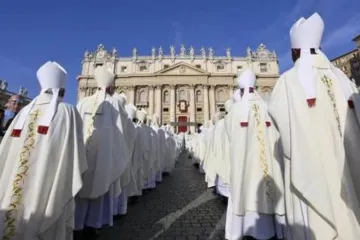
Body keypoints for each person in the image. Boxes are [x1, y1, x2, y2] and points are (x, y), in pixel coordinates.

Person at [268, 12, 360, 239]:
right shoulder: (344, 79)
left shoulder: (289, 80)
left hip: (311, 174)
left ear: (295, 50)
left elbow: (280, 125)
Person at [0, 61, 87, 240]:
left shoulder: (24, 112)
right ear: (61, 88)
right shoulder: (68, 111)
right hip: (47, 181)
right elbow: (76, 152)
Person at [224, 69, 285, 240]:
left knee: (244, 190)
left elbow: (229, 136)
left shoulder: (235, 111)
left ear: (241, 89)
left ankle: (241, 230)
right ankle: (269, 231)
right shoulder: (268, 108)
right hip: (268, 169)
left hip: (244, 165)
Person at [75, 65, 130, 235]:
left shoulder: (83, 102)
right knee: (101, 185)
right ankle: (94, 224)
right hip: (104, 155)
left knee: (81, 186)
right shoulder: (115, 103)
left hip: (82, 152)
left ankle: (76, 224)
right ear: (112, 86)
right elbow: (123, 131)